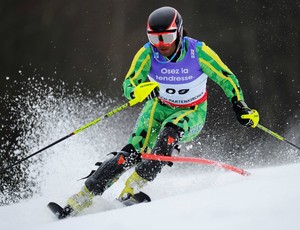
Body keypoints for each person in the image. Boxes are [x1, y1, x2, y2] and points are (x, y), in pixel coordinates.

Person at [53, 6, 259, 217]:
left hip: (192, 110)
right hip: (157, 108)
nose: (161, 44)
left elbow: (226, 78)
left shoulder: (198, 52)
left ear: (179, 32)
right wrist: (137, 91)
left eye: (167, 36)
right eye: (155, 38)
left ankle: (132, 188)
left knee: (168, 136)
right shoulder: (147, 53)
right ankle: (80, 200)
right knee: (129, 154)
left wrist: (239, 105)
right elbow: (129, 84)